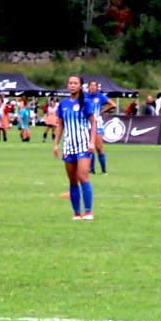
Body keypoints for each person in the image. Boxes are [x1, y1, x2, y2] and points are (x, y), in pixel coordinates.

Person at [50, 72, 98, 221]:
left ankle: (88, 212)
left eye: (75, 83)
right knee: (72, 180)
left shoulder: (86, 102)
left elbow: (93, 122)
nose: (72, 85)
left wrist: (92, 141)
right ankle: (77, 213)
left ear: (80, 86)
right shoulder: (63, 104)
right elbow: (60, 125)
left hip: (83, 144)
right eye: (70, 83)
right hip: (69, 145)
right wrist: (56, 144)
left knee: (83, 176)